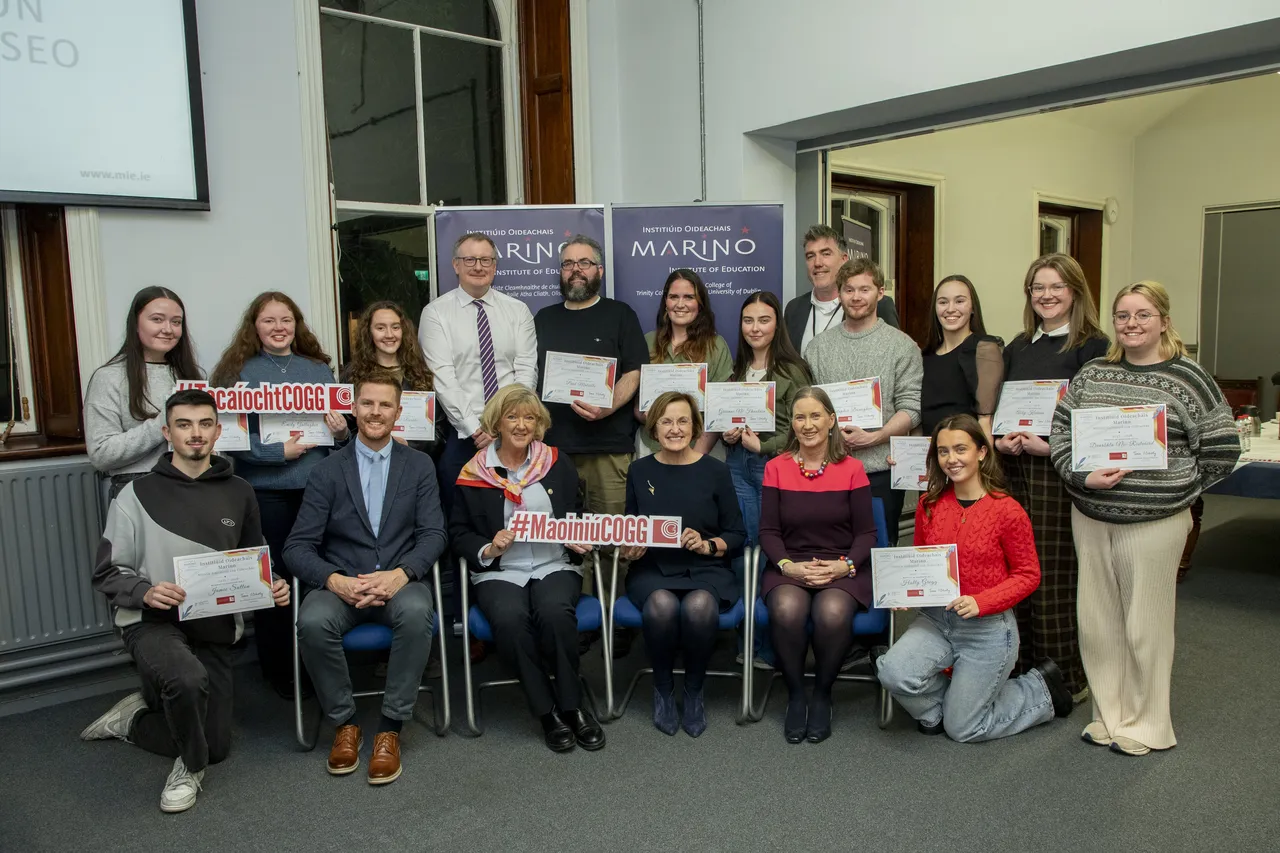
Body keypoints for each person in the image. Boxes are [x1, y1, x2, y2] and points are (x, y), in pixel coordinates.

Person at [1049, 281, 1239, 756]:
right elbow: (1060, 435)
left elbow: (1221, 450)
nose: (1131, 324)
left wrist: (1177, 493)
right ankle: (1108, 715)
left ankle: (1150, 723)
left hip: (1156, 524)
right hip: (1091, 516)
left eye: (1142, 314)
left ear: (1164, 321)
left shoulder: (1189, 378)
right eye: (1122, 315)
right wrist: (1081, 476)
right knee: (1097, 623)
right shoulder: (1093, 374)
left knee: (1144, 625)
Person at [81, 389, 290, 813]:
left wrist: (275, 584)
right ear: (167, 433)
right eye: (184, 424)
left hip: (214, 626)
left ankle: (135, 719)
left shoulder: (240, 491)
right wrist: (146, 591)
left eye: (204, 424)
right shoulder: (134, 495)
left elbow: (254, 557)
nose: (195, 434)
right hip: (152, 621)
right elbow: (106, 573)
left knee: (217, 746)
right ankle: (188, 770)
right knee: (187, 681)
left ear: (217, 430)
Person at [285, 369, 448, 784]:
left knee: (417, 612)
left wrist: (402, 573)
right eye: (368, 403)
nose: (376, 412)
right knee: (312, 620)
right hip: (343, 585)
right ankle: (345, 724)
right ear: (354, 408)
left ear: (398, 413)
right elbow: (297, 547)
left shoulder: (420, 466)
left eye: (385, 405)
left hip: (399, 582)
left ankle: (390, 728)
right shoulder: (325, 471)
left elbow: (434, 534)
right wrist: (335, 580)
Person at [876, 414, 1072, 742]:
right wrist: (903, 594)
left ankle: (1040, 690)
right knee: (892, 673)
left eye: (960, 449)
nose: (951, 459)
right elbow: (921, 562)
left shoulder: (1007, 510)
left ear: (981, 452)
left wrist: (981, 601)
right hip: (937, 621)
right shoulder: (929, 504)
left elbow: (1028, 575)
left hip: (989, 631)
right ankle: (946, 707)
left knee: (965, 729)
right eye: (943, 452)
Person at [450, 384, 605, 753]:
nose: (521, 425)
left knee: (554, 612)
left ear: (539, 424)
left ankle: (573, 705)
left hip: (553, 564)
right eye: (512, 416)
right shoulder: (475, 472)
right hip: (500, 571)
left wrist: (578, 536)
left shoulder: (555, 461)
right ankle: (546, 710)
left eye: (530, 418)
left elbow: (576, 514)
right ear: (497, 422)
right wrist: (489, 546)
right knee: (508, 619)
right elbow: (457, 532)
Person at [209, 292, 347, 699]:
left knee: (320, 575)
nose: (278, 328)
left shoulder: (319, 371)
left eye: (286, 319)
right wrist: (274, 453)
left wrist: (340, 434)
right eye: (269, 321)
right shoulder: (239, 373)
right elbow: (228, 437)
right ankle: (280, 669)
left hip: (317, 491)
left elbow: (340, 442)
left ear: (297, 323)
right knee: (275, 581)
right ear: (254, 325)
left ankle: (321, 660)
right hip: (264, 493)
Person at [995, 253, 1109, 702]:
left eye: (1056, 287)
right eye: (1037, 288)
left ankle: (1065, 675)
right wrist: (1001, 439)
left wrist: (1053, 446)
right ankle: (1018, 665)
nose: (1046, 296)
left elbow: (1100, 417)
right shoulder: (1018, 347)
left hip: (1056, 469)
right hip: (1013, 465)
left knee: (1052, 571)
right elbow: (1000, 407)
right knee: (1014, 565)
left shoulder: (1093, 347)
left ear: (1075, 292)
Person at [534, 234, 649, 657]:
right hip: (554, 452)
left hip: (608, 445)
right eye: (568, 264)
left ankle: (614, 616)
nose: (576, 270)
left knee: (612, 534)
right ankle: (581, 617)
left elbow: (637, 370)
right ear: (560, 272)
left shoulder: (620, 314)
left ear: (599, 271)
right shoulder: (543, 318)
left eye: (584, 263)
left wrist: (607, 405)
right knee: (568, 537)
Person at [620, 391, 745, 737]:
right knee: (661, 604)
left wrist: (708, 545)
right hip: (652, 570)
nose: (675, 429)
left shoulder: (716, 471)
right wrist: (630, 549)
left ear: (695, 426)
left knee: (699, 605)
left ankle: (693, 690)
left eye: (683, 421)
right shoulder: (638, 469)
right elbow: (631, 528)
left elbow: (737, 534)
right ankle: (662, 689)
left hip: (706, 569)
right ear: (654, 428)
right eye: (666, 421)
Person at [757, 387, 877, 744]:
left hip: (842, 565)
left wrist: (842, 567)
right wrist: (786, 566)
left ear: (831, 420)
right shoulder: (775, 468)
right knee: (787, 607)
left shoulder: (853, 469)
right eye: (799, 417)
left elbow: (867, 534)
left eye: (815, 416)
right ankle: (796, 694)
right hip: (789, 563)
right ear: (791, 424)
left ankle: (823, 693)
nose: (807, 425)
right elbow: (768, 530)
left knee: (832, 613)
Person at [720, 291, 814, 668]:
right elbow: (729, 418)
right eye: (748, 321)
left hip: (772, 465)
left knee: (773, 550)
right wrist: (728, 433)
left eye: (763, 320)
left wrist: (763, 445)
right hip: (735, 466)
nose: (755, 328)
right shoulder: (737, 371)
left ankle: (777, 643)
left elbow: (805, 428)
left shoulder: (794, 370)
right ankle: (751, 639)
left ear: (777, 325)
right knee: (743, 549)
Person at [804, 258, 923, 541]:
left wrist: (875, 437)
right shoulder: (818, 348)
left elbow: (912, 408)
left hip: (880, 472)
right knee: (828, 551)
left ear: (880, 293)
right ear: (839, 293)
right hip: (827, 469)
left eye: (865, 289)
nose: (856, 297)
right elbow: (809, 408)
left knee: (878, 554)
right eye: (849, 289)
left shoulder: (902, 345)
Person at [419, 232, 538, 511]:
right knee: (460, 516)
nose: (478, 266)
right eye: (469, 259)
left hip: (514, 433)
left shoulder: (518, 311)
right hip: (463, 436)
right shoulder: (436, 313)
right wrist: (477, 429)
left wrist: (505, 424)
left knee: (516, 512)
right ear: (455, 265)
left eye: (486, 259)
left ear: (495, 266)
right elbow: (443, 378)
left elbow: (525, 372)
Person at [84, 287, 203, 500]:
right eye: (157, 319)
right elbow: (102, 454)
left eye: (176, 322)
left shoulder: (193, 375)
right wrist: (165, 422)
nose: (168, 329)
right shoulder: (109, 377)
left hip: (194, 483)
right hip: (138, 488)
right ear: (136, 323)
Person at [637, 269, 732, 456]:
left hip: (700, 450)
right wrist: (647, 415)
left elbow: (719, 410)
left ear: (700, 303)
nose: (680, 304)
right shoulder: (647, 342)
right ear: (665, 302)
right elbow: (636, 406)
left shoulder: (716, 346)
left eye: (689, 297)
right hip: (652, 448)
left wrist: (695, 457)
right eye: (673, 297)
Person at [341, 300, 438, 456]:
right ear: (369, 332)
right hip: (365, 462)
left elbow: (439, 434)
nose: (389, 335)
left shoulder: (421, 374)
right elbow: (346, 432)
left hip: (411, 464)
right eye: (380, 328)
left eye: (395, 327)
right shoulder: (352, 376)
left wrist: (408, 445)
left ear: (403, 331)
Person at [784, 224, 898, 355]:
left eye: (826, 254)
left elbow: (893, 356)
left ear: (844, 259)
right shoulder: (794, 309)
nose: (817, 263)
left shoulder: (878, 305)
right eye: (810, 256)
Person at [920, 274, 1004, 439]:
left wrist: (984, 463)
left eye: (959, 301)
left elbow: (985, 421)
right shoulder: (925, 357)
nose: (950, 309)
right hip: (928, 454)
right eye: (943, 302)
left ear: (972, 307)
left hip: (965, 455)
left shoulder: (984, 349)